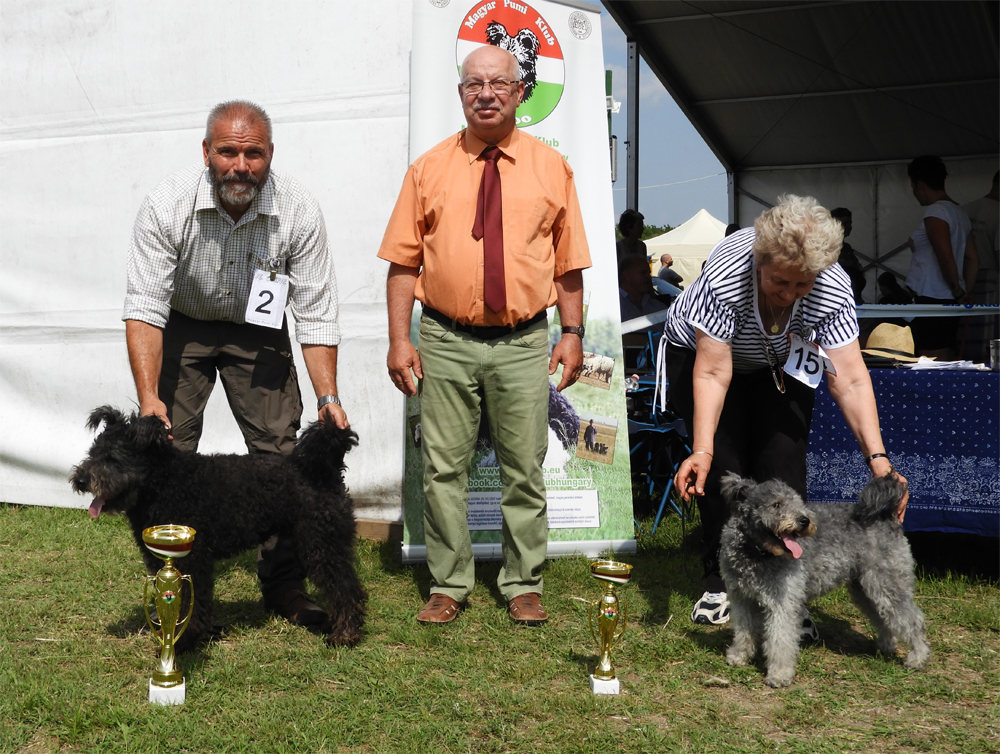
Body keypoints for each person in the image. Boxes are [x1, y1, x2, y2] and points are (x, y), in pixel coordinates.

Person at [378, 46, 591, 626]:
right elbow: (402, 265)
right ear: (460, 92)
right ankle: (449, 583)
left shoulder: (553, 168)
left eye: (499, 83)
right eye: (474, 84)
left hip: (524, 340)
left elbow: (568, 263)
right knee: (444, 468)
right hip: (445, 338)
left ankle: (523, 582)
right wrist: (401, 340)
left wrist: (571, 333)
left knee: (525, 465)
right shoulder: (428, 169)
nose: (487, 93)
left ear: (521, 92)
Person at [123, 100, 349, 627]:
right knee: (164, 445)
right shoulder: (166, 204)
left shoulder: (298, 209)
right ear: (206, 152)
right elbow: (144, 308)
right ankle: (175, 587)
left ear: (271, 155)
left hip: (258, 330)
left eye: (254, 153)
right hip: (183, 320)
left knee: (282, 456)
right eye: (227, 152)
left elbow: (315, 313)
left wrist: (328, 397)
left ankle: (285, 587)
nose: (240, 165)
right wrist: (149, 397)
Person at [662, 196, 908, 635]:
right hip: (703, 359)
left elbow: (849, 378)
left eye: (803, 285)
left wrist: (879, 460)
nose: (791, 294)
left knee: (784, 465)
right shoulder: (728, 270)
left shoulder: (831, 285)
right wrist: (700, 449)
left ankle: (786, 592)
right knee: (726, 465)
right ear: (760, 260)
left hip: (779, 362)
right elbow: (715, 371)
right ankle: (720, 584)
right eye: (780, 282)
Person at [904, 155, 978, 360]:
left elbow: (945, 256)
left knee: (929, 360)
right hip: (950, 298)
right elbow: (973, 259)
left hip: (931, 297)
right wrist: (965, 291)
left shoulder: (936, 212)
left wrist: (957, 291)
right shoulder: (959, 212)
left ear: (919, 185)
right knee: (945, 355)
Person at [962, 171, 999, 362]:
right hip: (989, 279)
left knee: (965, 332)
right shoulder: (998, 212)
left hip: (963, 278)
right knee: (988, 335)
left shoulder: (966, 210)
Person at [830, 207, 866, 304]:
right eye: (845, 223)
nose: (849, 227)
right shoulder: (827, 247)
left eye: (850, 223)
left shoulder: (846, 248)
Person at [620, 254, 668, 321]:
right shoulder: (615, 305)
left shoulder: (657, 307)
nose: (648, 277)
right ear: (627, 275)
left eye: (649, 273)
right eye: (643, 272)